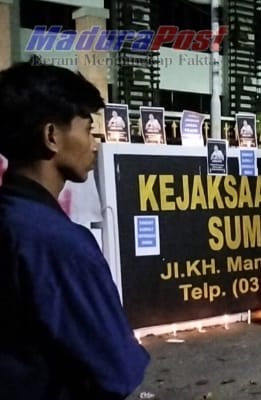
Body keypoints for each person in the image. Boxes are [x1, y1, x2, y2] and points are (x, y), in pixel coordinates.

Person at [0, 62, 149, 399]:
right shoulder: (59, 244)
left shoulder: (15, 222)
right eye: (88, 129)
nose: (95, 144)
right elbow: (118, 369)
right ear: (52, 136)